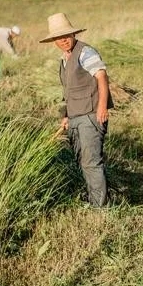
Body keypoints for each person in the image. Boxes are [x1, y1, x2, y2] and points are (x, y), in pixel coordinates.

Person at [40, 12, 113, 207]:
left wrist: (102, 107)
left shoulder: (85, 52)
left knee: (91, 162)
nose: (63, 40)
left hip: (91, 116)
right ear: (54, 41)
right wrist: (66, 116)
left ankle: (100, 207)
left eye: (66, 36)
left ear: (73, 34)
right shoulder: (64, 59)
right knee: (83, 160)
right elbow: (69, 91)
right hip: (75, 117)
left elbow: (101, 77)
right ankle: (96, 198)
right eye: (58, 37)